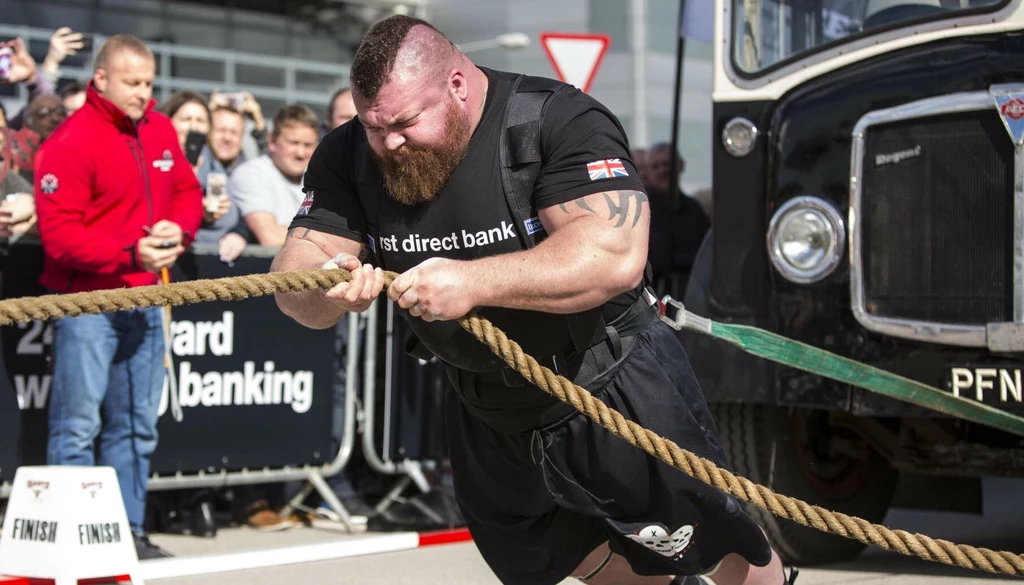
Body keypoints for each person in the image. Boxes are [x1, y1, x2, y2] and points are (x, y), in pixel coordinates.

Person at [272, 15, 792, 585]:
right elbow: (294, 286)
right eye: (373, 126)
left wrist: (471, 282)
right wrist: (328, 284)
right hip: (485, 404)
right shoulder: (350, 153)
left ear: (457, 85)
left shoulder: (555, 119)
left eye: (404, 123)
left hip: (606, 380)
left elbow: (614, 255)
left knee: (718, 548)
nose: (387, 143)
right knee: (565, 557)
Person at [34, 33, 203, 560]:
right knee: (77, 427)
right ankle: (74, 539)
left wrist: (180, 230)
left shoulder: (158, 128)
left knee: (135, 426)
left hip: (146, 298)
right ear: (101, 79)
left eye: (149, 83)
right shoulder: (69, 140)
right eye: (133, 82)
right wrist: (130, 254)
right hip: (88, 303)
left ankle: (127, 531)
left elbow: (186, 190)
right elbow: (59, 234)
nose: (143, 93)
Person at [230, 103, 319, 248]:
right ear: (272, 141)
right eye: (293, 143)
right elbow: (270, 237)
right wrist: (325, 236)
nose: (301, 153)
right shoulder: (252, 173)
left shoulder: (319, 181)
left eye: (308, 145)